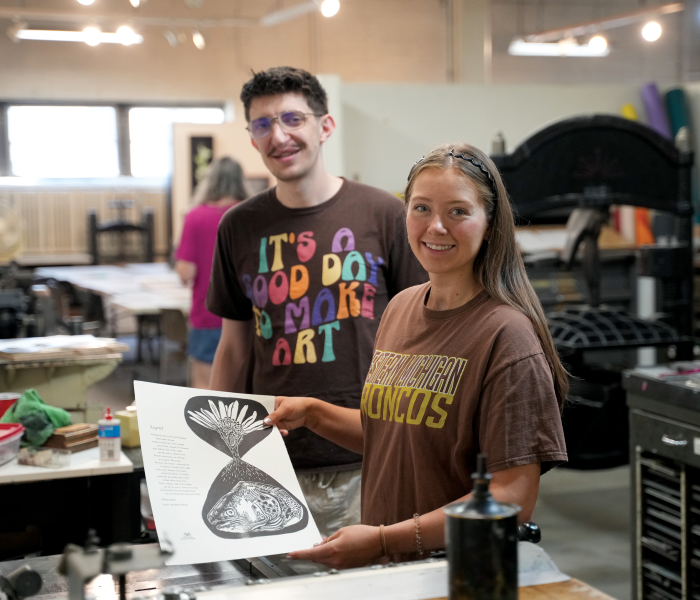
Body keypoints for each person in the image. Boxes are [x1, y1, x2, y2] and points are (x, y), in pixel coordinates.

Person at [265, 142, 569, 568]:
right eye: (421, 208)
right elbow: (395, 436)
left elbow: (511, 500)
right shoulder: (401, 308)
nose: (436, 227)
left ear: (490, 222)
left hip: (461, 573)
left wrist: (385, 540)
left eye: (458, 212)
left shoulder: (507, 335)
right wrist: (314, 414)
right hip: (391, 571)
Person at [206, 66, 427, 535]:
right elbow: (234, 348)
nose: (278, 135)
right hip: (271, 458)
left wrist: (417, 440)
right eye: (262, 124)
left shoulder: (383, 213)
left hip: (371, 453)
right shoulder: (238, 226)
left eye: (292, 118)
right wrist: (217, 447)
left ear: (325, 126)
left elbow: (421, 336)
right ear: (251, 138)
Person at [175, 156, 250, 389]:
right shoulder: (250, 215)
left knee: (206, 388)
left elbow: (186, 273)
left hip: (208, 314)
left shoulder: (195, 217)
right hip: (250, 316)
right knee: (245, 386)